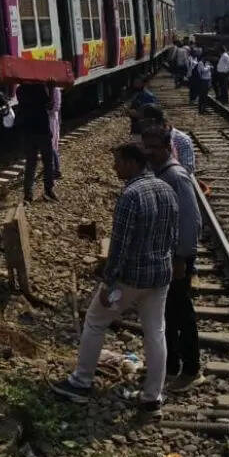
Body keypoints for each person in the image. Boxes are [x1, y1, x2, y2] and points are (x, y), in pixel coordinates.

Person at [50, 143, 177, 415]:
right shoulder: (167, 189)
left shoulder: (131, 195)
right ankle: (152, 396)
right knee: (156, 330)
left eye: (118, 161)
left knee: (95, 321)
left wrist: (109, 283)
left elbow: (119, 244)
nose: (114, 167)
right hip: (159, 275)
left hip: (131, 277)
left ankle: (81, 382)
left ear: (133, 163)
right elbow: (172, 237)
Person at [141, 127, 204, 391]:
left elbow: (192, 222)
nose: (150, 152)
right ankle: (171, 365)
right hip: (166, 256)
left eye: (155, 147)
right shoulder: (160, 173)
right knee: (169, 312)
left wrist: (181, 258)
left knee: (182, 311)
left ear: (168, 146)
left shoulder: (176, 177)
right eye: (147, 147)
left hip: (178, 258)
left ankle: (191, 369)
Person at [14, 82, 58, 203]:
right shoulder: (40, 87)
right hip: (42, 130)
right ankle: (48, 190)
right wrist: (51, 88)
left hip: (28, 131)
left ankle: (28, 195)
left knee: (30, 164)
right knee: (48, 162)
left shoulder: (20, 90)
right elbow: (49, 106)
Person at [139, 105, 196, 176]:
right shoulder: (146, 138)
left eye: (145, 123)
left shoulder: (182, 139)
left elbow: (188, 167)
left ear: (154, 122)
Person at [49, 85, 63, 179]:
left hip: (52, 119)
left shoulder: (56, 89)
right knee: (51, 145)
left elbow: (56, 107)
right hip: (49, 119)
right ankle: (52, 167)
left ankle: (57, 169)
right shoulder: (46, 88)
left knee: (52, 145)